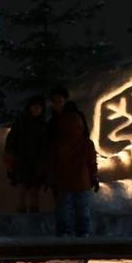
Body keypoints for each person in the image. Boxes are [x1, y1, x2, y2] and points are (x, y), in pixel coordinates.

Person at [47, 101, 99, 236]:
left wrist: (50, 179)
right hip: (82, 181)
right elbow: (91, 162)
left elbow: (52, 162)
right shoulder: (86, 143)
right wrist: (94, 177)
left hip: (63, 180)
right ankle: (83, 233)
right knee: (82, 209)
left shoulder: (57, 143)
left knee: (63, 209)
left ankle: (63, 233)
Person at [3, 96, 49, 213]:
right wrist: (10, 160)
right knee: (22, 191)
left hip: (37, 163)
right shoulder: (20, 123)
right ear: (29, 107)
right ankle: (22, 216)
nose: (36, 109)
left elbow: (46, 144)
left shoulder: (44, 125)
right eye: (34, 106)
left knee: (34, 192)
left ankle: (33, 216)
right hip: (22, 162)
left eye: (39, 107)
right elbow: (11, 142)